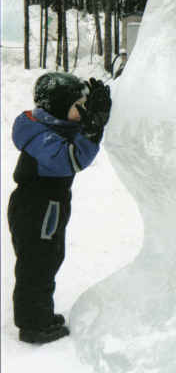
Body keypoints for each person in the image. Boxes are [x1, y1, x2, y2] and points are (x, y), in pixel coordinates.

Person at [7, 72, 112, 344]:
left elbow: (77, 131)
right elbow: (73, 158)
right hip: (37, 208)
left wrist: (96, 111)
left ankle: (40, 312)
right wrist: (93, 130)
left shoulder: (54, 125)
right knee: (37, 264)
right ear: (58, 108)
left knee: (49, 258)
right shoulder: (40, 138)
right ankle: (33, 325)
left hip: (47, 206)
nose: (84, 111)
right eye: (79, 105)